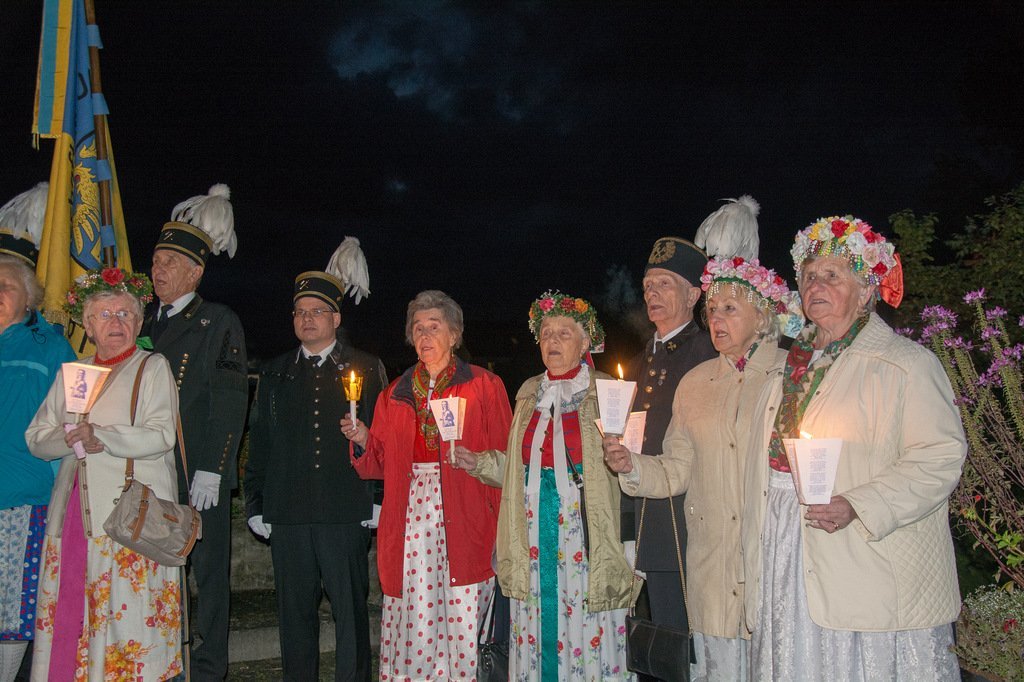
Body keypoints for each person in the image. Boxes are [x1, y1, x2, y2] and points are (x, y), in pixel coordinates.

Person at [740, 216, 966, 679]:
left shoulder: (905, 364)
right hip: (787, 546)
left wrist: (858, 505)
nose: (814, 285)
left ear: (866, 291)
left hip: (866, 558)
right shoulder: (785, 370)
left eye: (831, 275)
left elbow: (938, 459)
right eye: (807, 276)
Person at [604, 257, 797, 681]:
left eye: (730, 308)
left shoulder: (790, 374)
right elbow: (676, 469)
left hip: (769, 552)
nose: (716, 318)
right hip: (710, 558)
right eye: (713, 310)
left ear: (762, 314)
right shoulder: (696, 383)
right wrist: (630, 465)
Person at [453, 291, 635, 681]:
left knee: (589, 620)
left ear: (586, 342)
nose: (552, 342)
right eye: (546, 333)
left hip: (584, 532)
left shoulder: (606, 393)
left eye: (564, 334)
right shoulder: (528, 393)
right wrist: (479, 463)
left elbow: (627, 465)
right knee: (537, 619)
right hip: (534, 533)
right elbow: (521, 470)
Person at [342, 290, 512, 681]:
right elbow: (379, 466)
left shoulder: (485, 386)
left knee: (464, 614)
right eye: (418, 328)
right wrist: (365, 439)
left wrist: (503, 526)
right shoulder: (394, 395)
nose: (425, 335)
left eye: (434, 326)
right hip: (411, 524)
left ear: (455, 334)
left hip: (468, 520)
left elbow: (508, 463)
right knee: (417, 619)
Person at [26, 268, 182, 680]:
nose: (116, 323)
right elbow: (37, 438)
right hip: (76, 513)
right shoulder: (74, 373)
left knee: (128, 618)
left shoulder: (152, 367)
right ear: (89, 325)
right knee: (77, 614)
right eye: (105, 315)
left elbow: (161, 434)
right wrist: (71, 438)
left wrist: (103, 436)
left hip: (130, 516)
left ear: (138, 321)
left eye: (125, 314)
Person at [245, 260, 386, 681]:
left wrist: (376, 498)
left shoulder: (365, 367)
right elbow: (261, 443)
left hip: (344, 511)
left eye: (317, 311)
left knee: (351, 615)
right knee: (294, 619)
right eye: (300, 312)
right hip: (288, 514)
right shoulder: (275, 372)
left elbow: (383, 441)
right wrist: (257, 503)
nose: (307, 320)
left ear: (336, 318)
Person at [140, 185, 248, 681]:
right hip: (150, 468)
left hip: (197, 472)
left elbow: (230, 398)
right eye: (156, 259)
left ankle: (208, 668)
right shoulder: (143, 320)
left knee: (208, 575)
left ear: (195, 271)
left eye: (169, 261)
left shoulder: (216, 321)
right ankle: (160, 655)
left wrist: (215, 467)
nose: (158, 270)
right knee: (154, 567)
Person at [619, 235, 716, 652]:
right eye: (647, 287)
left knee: (691, 645)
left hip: (690, 521)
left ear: (694, 294)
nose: (652, 294)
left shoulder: (707, 352)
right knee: (658, 647)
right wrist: (626, 528)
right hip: (647, 523)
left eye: (664, 284)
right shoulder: (644, 360)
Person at [0, 185, 76, 681]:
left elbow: (71, 423)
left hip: (23, 502)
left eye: (4, 286)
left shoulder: (51, 347)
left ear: (29, 295)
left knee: (11, 612)